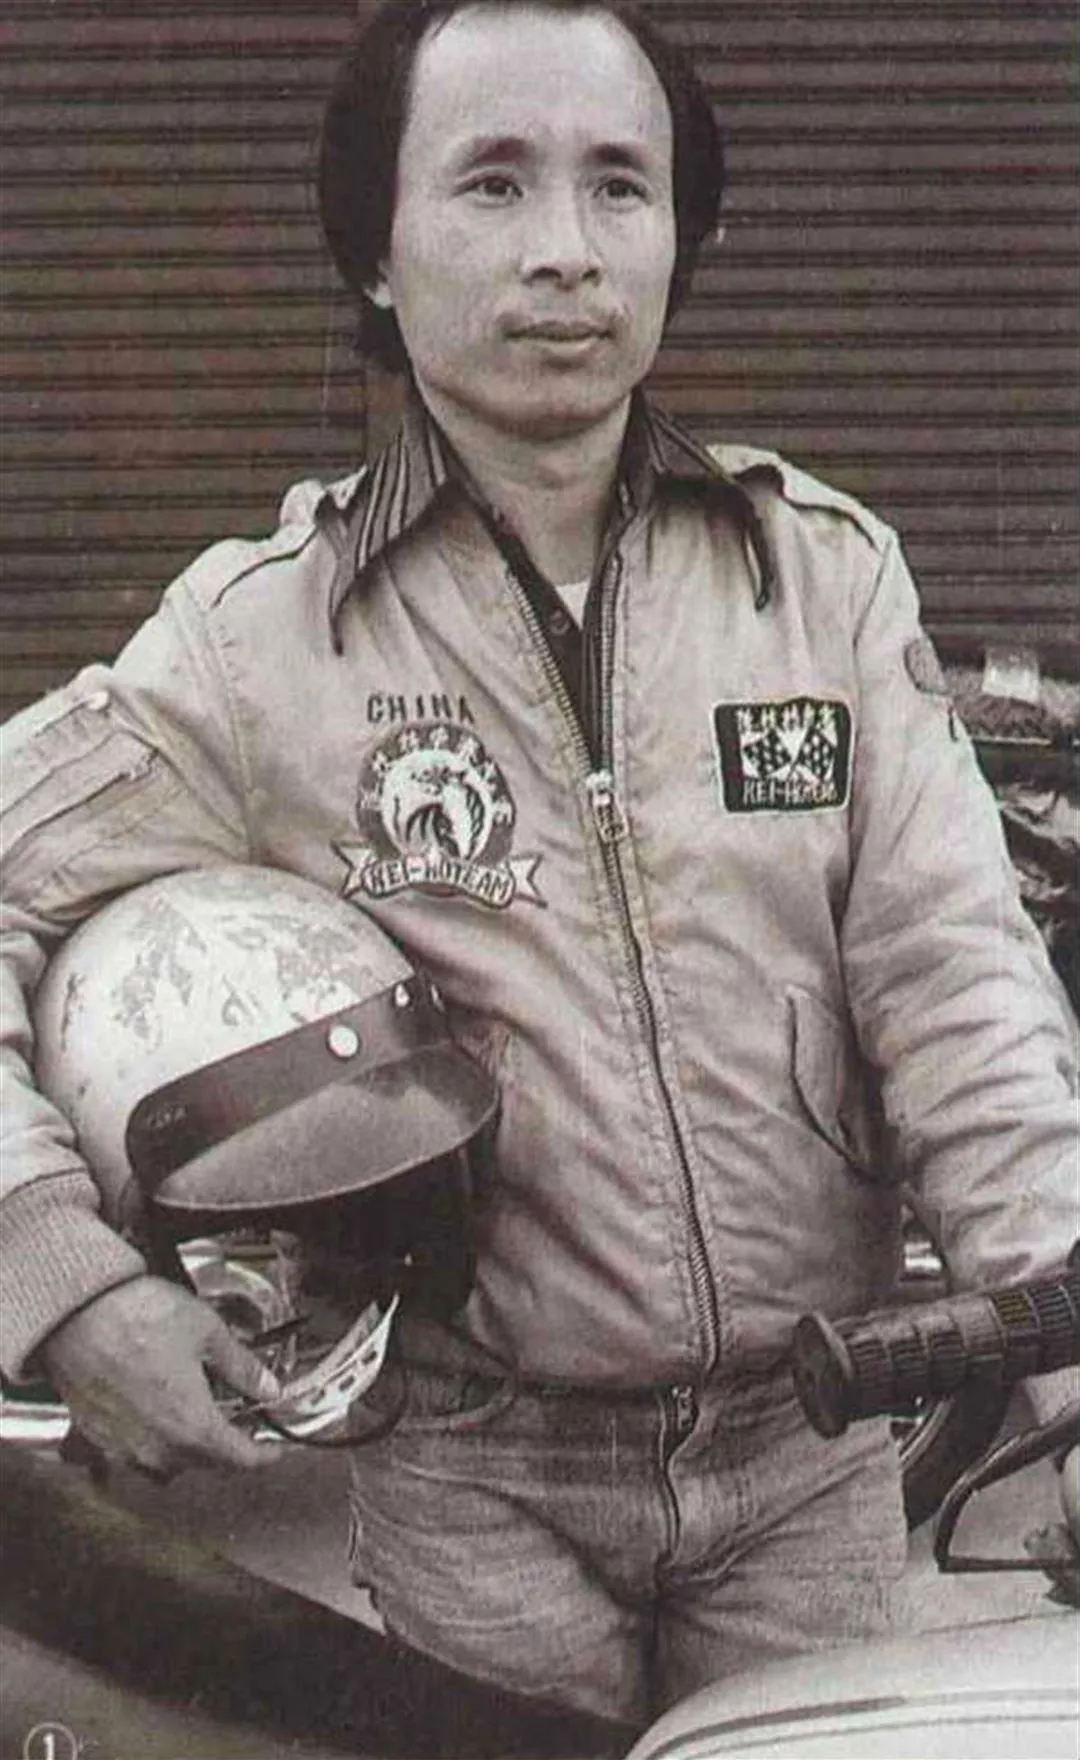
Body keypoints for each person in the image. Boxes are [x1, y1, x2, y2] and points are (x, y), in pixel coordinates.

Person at [1, 0, 1077, 1731]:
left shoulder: (817, 582)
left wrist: (1069, 1366)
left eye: (619, 186)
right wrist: (68, 1288)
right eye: (491, 184)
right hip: (474, 1483)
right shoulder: (257, 643)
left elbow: (960, 996)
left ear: (680, 236)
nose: (565, 251)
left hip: (812, 1457)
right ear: (375, 249)